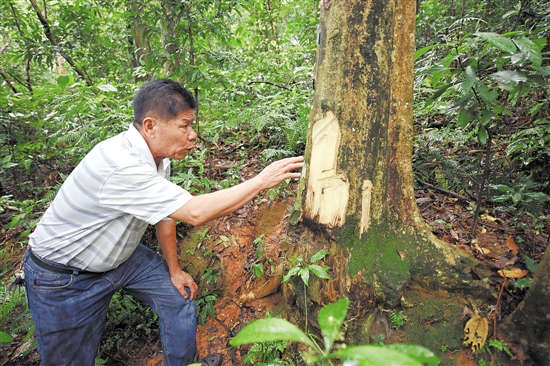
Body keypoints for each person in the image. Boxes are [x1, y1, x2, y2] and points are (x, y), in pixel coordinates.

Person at [23, 79, 304, 366]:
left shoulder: (159, 158)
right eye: (184, 126)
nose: (193, 135)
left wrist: (174, 270)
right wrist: (260, 181)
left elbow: (165, 215)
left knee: (177, 296)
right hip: (64, 277)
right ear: (150, 125)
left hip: (120, 257)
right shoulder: (121, 164)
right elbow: (194, 212)